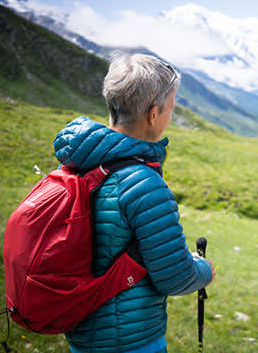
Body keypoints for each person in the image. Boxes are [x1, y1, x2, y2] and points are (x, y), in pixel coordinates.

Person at [53, 54, 214, 353]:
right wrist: (204, 269)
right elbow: (174, 277)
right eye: (171, 107)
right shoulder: (145, 184)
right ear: (154, 114)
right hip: (131, 342)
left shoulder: (81, 163)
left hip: (82, 332)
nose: (170, 114)